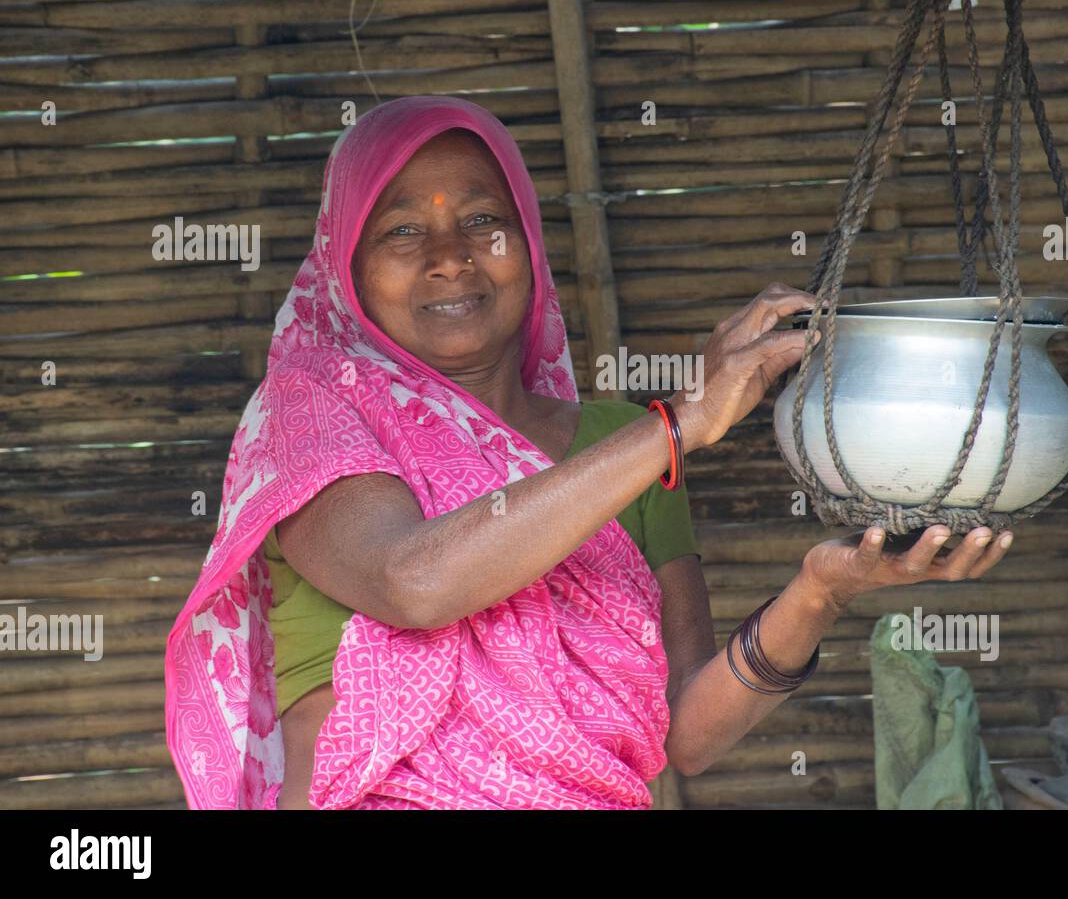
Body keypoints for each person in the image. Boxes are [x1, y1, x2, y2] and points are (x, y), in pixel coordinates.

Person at [164, 94, 1012, 810]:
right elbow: (411, 582)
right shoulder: (312, 411)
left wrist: (819, 594)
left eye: (483, 221)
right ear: (346, 266)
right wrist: (675, 426)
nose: (450, 256)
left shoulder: (622, 446)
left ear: (530, 242)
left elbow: (687, 733)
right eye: (399, 233)